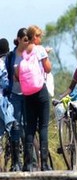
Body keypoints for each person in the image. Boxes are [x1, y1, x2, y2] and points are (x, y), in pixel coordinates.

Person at [16, 25, 53, 171]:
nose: (40, 39)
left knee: (29, 128)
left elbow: (17, 74)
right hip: (40, 91)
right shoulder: (40, 49)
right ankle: (44, 163)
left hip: (27, 94)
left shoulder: (23, 51)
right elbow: (48, 69)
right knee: (43, 127)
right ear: (35, 37)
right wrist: (47, 58)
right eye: (39, 36)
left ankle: (28, 164)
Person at [4, 29, 28, 171]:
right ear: (18, 39)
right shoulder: (11, 56)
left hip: (28, 94)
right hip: (14, 95)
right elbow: (7, 74)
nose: (27, 42)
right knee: (15, 126)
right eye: (24, 39)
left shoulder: (30, 55)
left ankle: (29, 161)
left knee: (26, 126)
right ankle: (15, 162)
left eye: (28, 39)